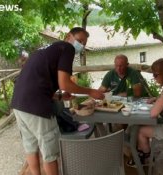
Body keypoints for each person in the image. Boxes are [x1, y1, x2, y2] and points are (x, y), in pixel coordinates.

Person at [11, 27, 104, 175]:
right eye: (79, 40)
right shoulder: (66, 48)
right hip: (37, 107)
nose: (81, 45)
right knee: (50, 151)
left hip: (18, 103)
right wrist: (91, 91)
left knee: (30, 146)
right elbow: (65, 84)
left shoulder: (45, 49)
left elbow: (35, 84)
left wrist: (59, 97)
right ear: (68, 37)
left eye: (84, 43)